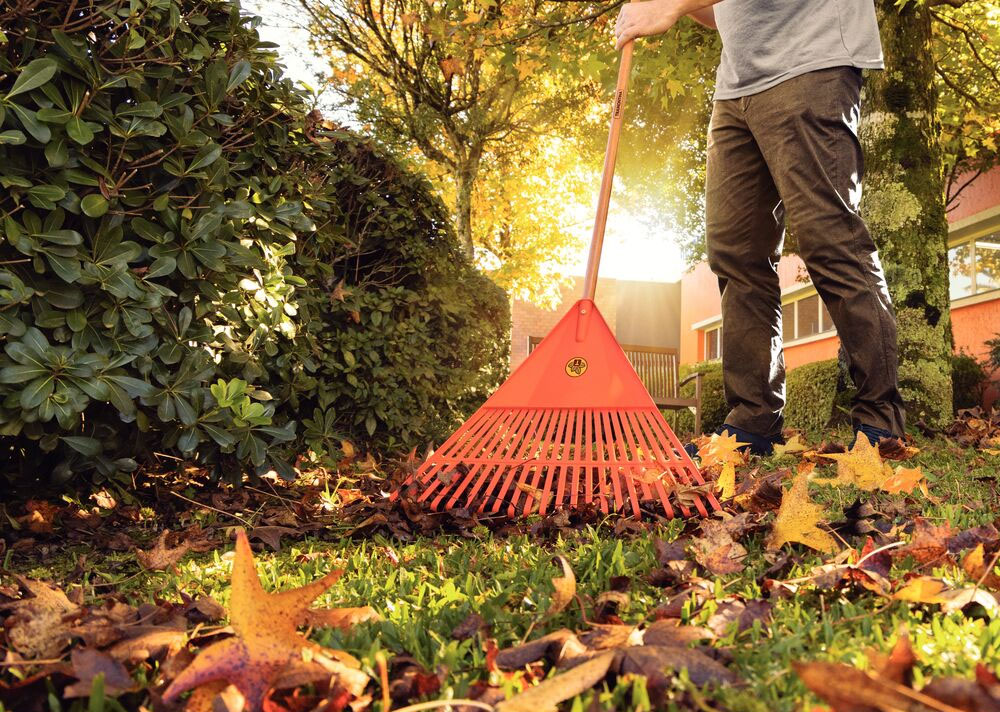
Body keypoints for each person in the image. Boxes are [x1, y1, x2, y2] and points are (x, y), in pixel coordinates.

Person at [615, 0, 906, 455]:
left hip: (813, 64)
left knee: (831, 242)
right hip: (736, 89)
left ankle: (880, 422)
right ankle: (752, 423)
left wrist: (671, 5)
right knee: (737, 255)